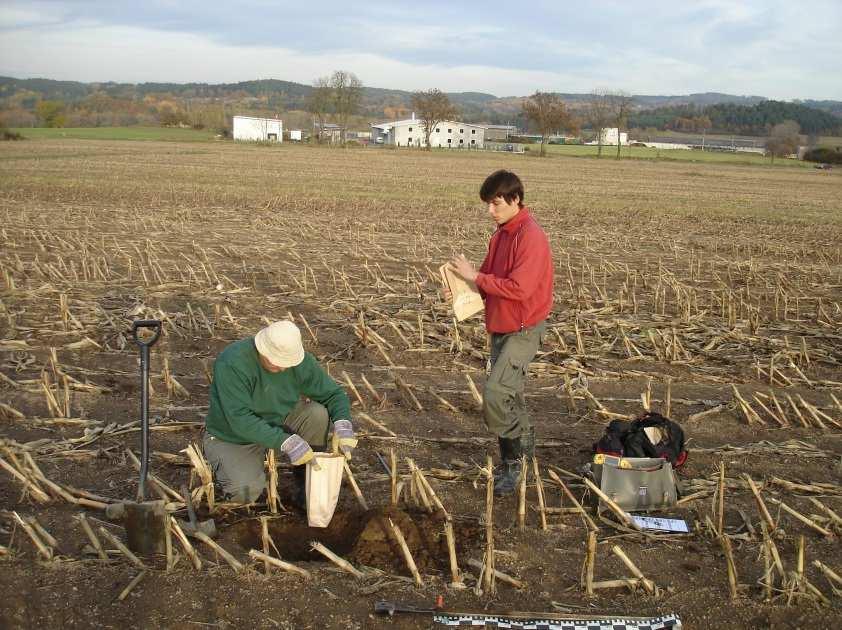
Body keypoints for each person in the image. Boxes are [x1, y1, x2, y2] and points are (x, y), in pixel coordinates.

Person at [449, 170, 553, 495]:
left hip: (523, 328)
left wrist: (476, 277)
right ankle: (523, 451)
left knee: (496, 395)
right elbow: (489, 280)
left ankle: (513, 463)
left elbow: (519, 289)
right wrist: (460, 287)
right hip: (500, 325)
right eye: (488, 204)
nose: (490, 211)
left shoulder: (530, 236)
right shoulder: (501, 234)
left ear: (515, 199)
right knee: (509, 394)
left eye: (495, 203)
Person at [203, 320, 357, 505]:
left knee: (317, 414)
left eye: (288, 363)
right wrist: (285, 441)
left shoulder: (299, 362)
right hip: (233, 438)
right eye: (277, 361)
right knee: (244, 493)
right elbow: (240, 419)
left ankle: (306, 487)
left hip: (276, 420)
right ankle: (227, 470)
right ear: (262, 349)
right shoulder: (233, 363)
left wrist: (343, 424)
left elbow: (333, 393)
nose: (284, 368)